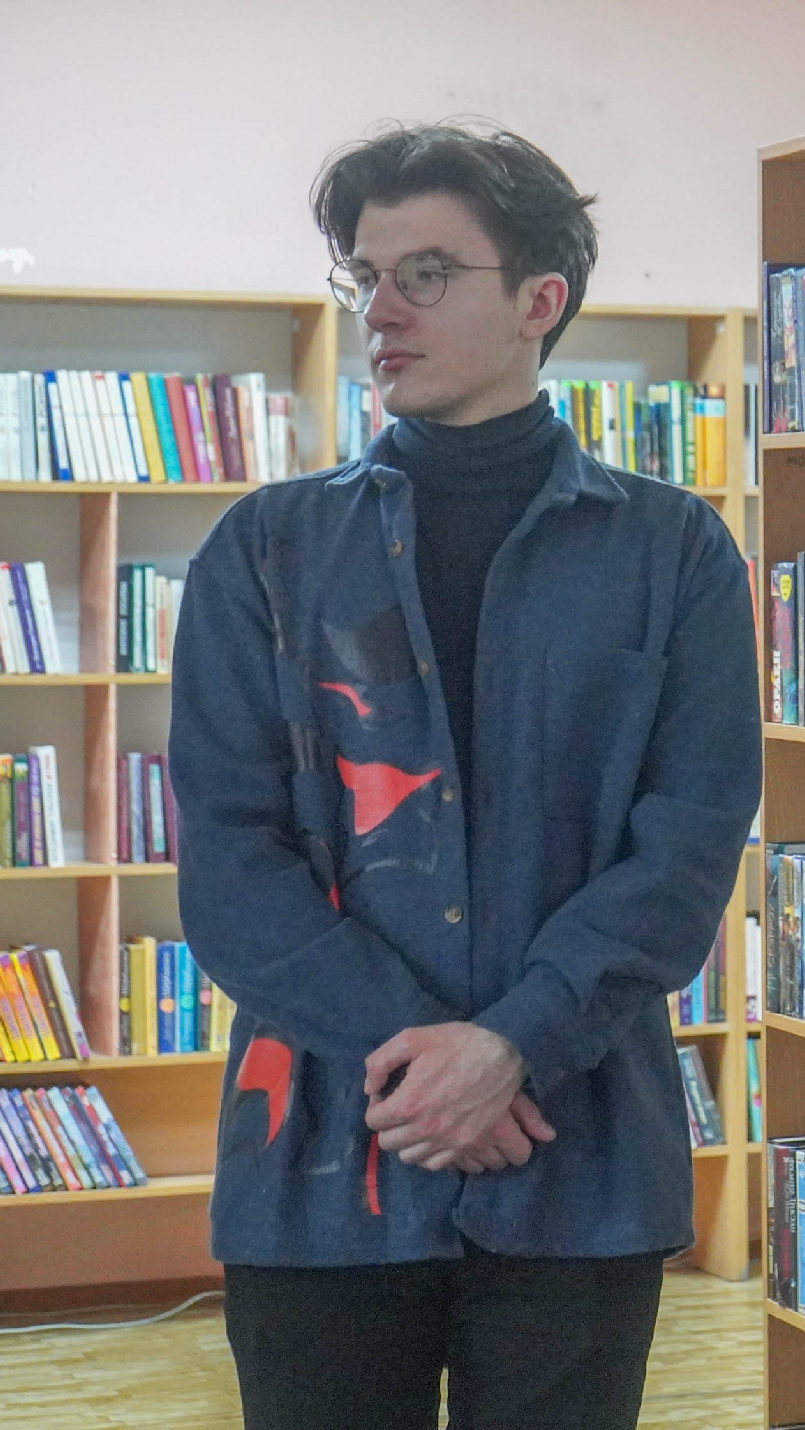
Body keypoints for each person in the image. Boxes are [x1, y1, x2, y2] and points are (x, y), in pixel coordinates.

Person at [169, 122, 761, 1430]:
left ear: (540, 300)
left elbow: (687, 847)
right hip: (321, 1162)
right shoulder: (263, 553)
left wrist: (515, 1044)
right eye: (365, 276)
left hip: (577, 1163)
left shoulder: (676, 554)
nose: (381, 310)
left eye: (426, 273)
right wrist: (434, 1070)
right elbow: (229, 861)